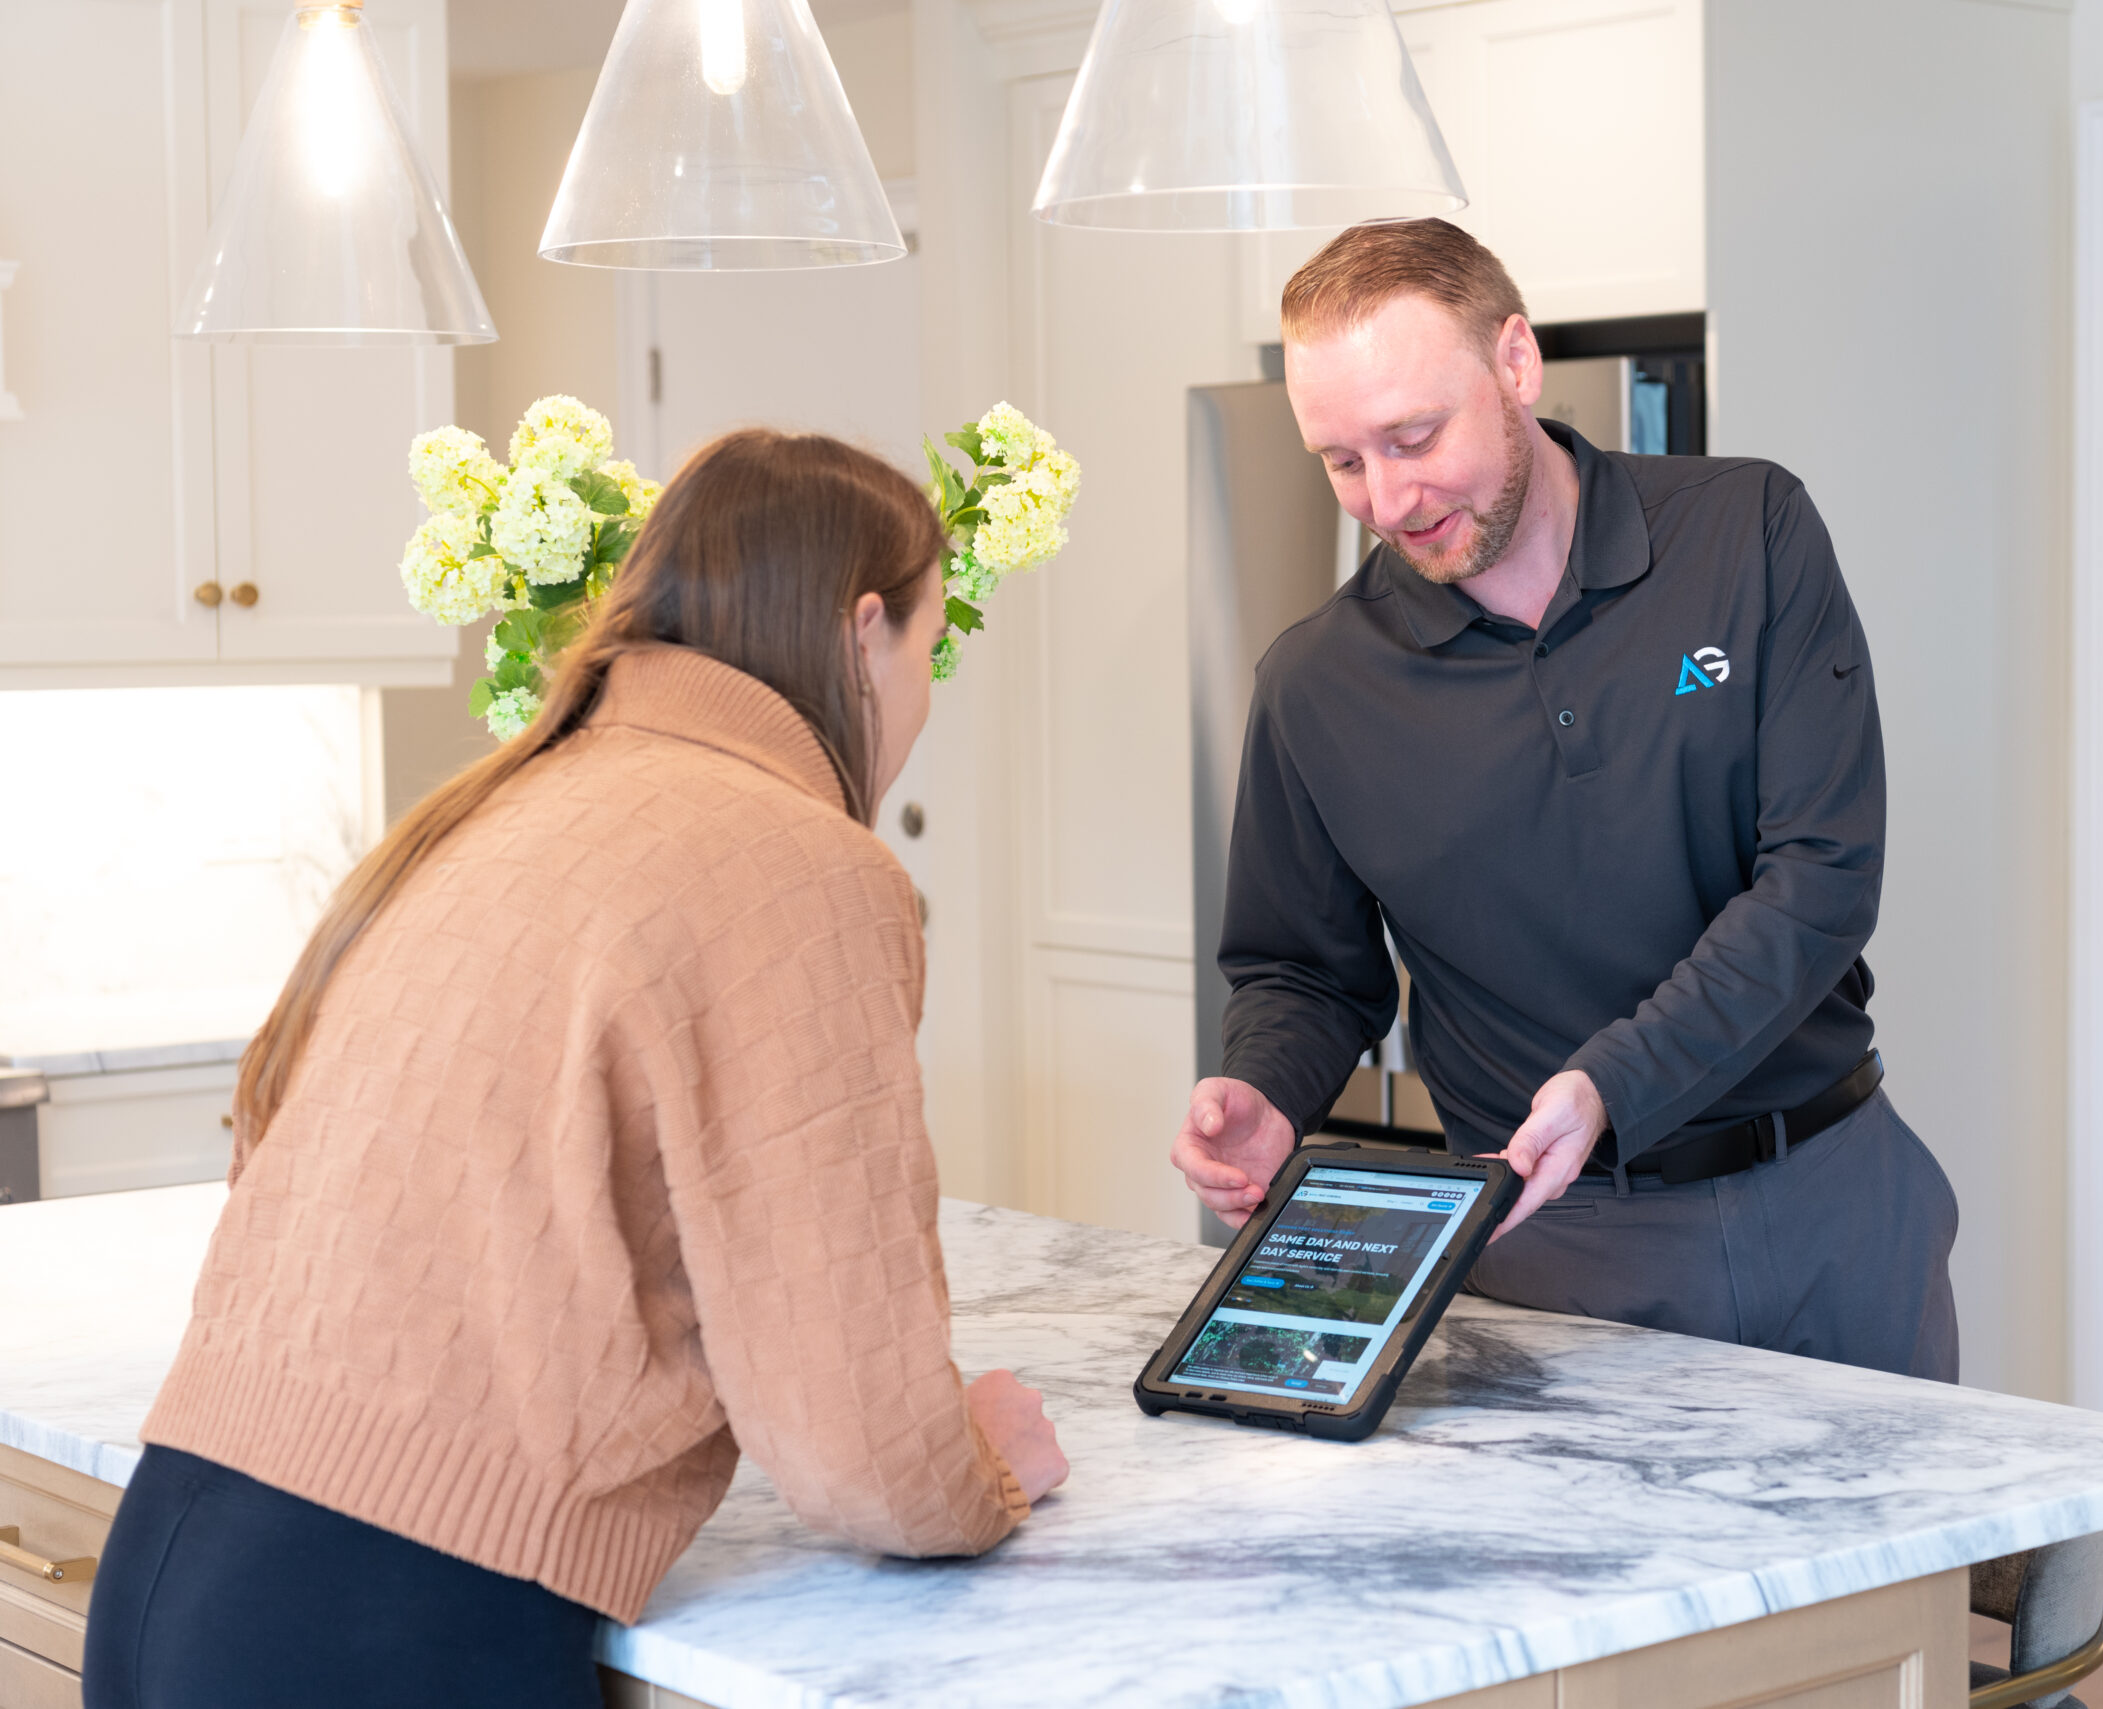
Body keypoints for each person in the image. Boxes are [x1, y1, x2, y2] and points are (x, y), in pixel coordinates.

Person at [84, 431, 1068, 1709]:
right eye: (929, 647)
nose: (925, 694)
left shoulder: (503, 803)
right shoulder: (806, 867)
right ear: (861, 627)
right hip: (397, 1618)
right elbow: (855, 1436)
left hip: (180, 1553)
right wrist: (978, 1470)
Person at [1171, 220, 1959, 1382]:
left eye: (1412, 436)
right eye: (1340, 461)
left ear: (1516, 364)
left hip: (1833, 1201)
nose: (1385, 500)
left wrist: (1612, 1081)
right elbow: (1303, 970)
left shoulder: (1748, 533)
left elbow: (1819, 881)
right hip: (1554, 1246)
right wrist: (1263, 1084)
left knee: (1916, 1571)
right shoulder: (1314, 683)